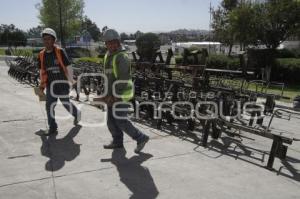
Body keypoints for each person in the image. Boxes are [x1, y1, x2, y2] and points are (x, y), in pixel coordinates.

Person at [101, 29, 149, 153]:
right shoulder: (108, 56)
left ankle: (141, 137)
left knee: (120, 120)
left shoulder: (122, 57)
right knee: (111, 120)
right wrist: (105, 91)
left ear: (118, 42)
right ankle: (117, 141)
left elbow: (123, 78)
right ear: (105, 44)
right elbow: (107, 75)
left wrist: (115, 95)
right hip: (111, 94)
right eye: (108, 43)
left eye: (113, 43)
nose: (111, 45)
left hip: (121, 94)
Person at [38, 28, 80, 136]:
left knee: (66, 103)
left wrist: (71, 81)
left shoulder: (60, 51)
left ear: (54, 40)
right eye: (44, 39)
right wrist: (41, 86)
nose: (46, 41)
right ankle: (52, 127)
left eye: (49, 39)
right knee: (49, 106)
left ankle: (77, 114)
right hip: (51, 85)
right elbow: (42, 71)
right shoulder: (41, 55)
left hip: (62, 84)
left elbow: (68, 66)